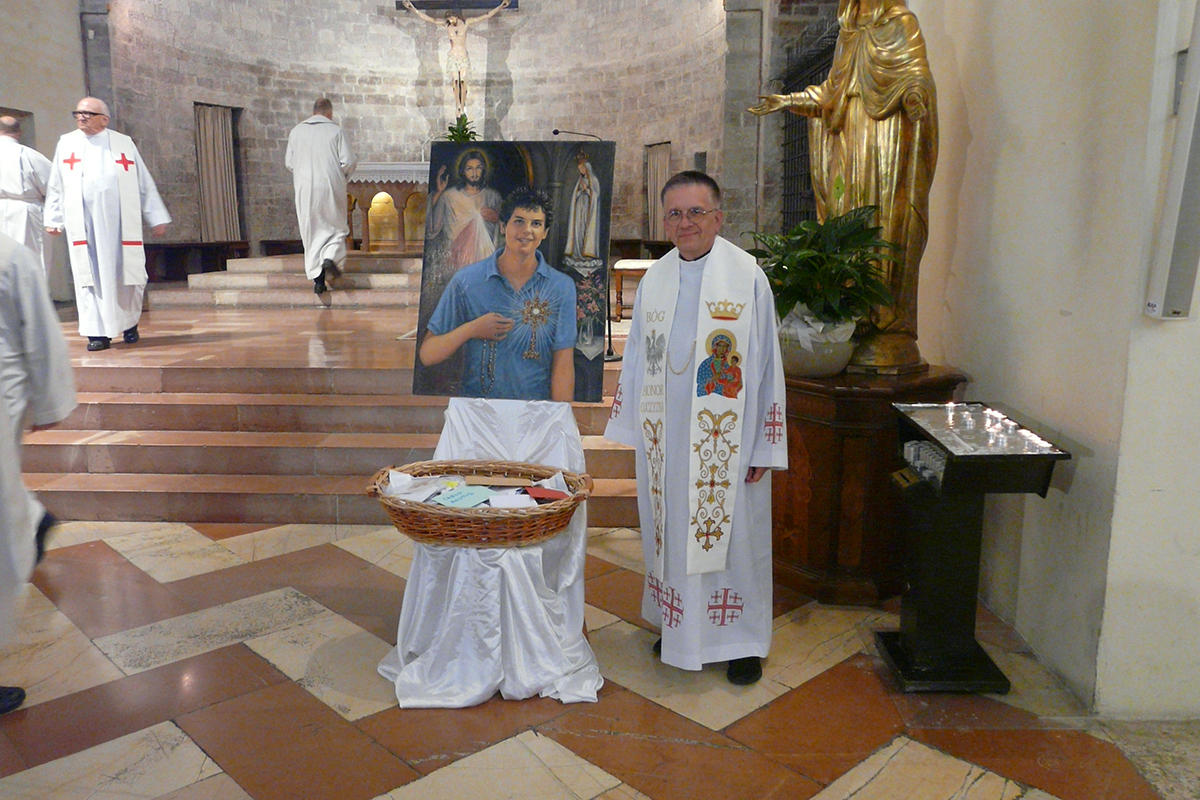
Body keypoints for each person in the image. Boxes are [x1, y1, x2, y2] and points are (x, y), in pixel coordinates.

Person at [604, 171, 787, 686]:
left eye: (696, 212)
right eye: (675, 214)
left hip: (728, 441)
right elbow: (636, 357)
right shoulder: (655, 279)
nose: (685, 223)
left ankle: (741, 642)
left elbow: (768, 366)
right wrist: (634, 430)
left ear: (718, 218)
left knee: (735, 541)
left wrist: (763, 445)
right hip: (666, 441)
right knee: (672, 536)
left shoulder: (747, 277)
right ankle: (680, 627)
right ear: (665, 222)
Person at [748, 0, 937, 371]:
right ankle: (850, 316)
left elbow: (917, 75)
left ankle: (885, 322)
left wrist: (914, 95)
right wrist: (789, 100)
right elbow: (830, 95)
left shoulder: (901, 22)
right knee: (845, 225)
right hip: (848, 148)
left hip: (885, 147)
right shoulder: (848, 32)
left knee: (885, 226)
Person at [0, 232, 77, 716]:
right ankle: (31, 518)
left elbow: (39, 332)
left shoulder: (7, 253)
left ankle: (28, 519)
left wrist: (49, 400)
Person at [419, 187, 576, 402]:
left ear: (545, 232)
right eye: (518, 221)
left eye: (536, 224)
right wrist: (472, 329)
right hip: (477, 409)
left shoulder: (561, 287)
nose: (527, 230)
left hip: (536, 411)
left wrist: (560, 415)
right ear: (503, 226)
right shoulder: (466, 281)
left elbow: (563, 361)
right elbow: (427, 354)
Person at [44, 97, 171, 352]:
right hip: (84, 224)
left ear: (104, 119)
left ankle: (129, 325)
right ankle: (97, 333)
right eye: (78, 112)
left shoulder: (123, 143)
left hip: (120, 224)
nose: (81, 117)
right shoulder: (67, 143)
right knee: (89, 277)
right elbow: (57, 183)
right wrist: (54, 217)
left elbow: (143, 182)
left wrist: (156, 216)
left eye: (88, 113)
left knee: (127, 274)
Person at [285, 98, 357, 295]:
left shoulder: (296, 132)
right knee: (335, 229)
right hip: (330, 186)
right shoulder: (335, 131)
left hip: (305, 189)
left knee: (312, 233)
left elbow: (289, 163)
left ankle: (318, 280)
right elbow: (348, 161)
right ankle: (330, 259)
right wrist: (341, 178)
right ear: (329, 113)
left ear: (313, 112)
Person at [401, 0, 511, 116]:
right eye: (448, 20)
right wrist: (413, 9)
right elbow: (430, 19)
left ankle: (462, 106)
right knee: (455, 82)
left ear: (456, 16)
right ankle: (458, 106)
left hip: (463, 57)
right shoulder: (447, 25)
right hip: (453, 57)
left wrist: (500, 6)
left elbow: (486, 16)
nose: (450, 21)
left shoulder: (466, 23)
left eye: (451, 19)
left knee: (463, 82)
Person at [0, 117, 52, 275]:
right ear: (19, 133)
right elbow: (54, 187)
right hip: (26, 214)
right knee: (31, 262)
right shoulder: (31, 156)